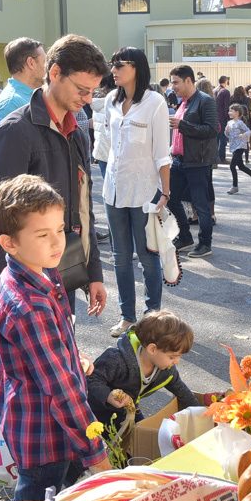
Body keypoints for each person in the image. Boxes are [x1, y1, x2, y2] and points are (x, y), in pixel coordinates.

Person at [0, 173, 111, 501]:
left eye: (59, 230)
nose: (57, 243)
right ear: (9, 242)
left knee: (58, 494)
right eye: (43, 234)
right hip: (44, 434)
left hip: (46, 423)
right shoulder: (28, 307)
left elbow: (53, 344)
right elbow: (62, 391)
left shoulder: (39, 268)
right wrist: (97, 454)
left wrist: (72, 357)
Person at [0, 34, 108, 319]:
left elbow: (83, 210)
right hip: (23, 282)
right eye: (82, 90)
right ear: (55, 72)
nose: (87, 100)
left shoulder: (76, 134)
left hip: (64, 273)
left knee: (62, 357)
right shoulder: (15, 131)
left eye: (92, 93)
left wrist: (92, 272)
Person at [101, 47, 171, 335]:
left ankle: (152, 316)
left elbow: (161, 153)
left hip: (144, 192)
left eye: (120, 65)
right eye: (113, 65)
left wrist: (165, 193)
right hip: (113, 191)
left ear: (137, 68)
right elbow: (105, 144)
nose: (114, 70)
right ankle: (127, 316)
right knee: (120, 257)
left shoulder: (155, 102)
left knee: (146, 255)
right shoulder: (110, 100)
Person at [86, 310, 202, 435]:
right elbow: (91, 379)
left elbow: (182, 392)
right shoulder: (116, 359)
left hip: (128, 410)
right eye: (172, 357)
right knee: (108, 449)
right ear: (152, 349)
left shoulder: (167, 371)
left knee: (140, 437)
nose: (177, 361)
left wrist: (202, 413)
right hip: (97, 412)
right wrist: (108, 396)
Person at [166, 65, 220, 258]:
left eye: (176, 82)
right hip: (179, 161)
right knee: (170, 199)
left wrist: (183, 125)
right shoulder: (184, 102)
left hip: (198, 162)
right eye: (172, 83)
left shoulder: (205, 101)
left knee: (200, 205)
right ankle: (185, 237)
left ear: (188, 80)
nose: (173, 87)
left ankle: (205, 243)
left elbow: (212, 130)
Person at [0, 37, 45, 126]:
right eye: (45, 61)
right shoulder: (10, 104)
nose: (48, 67)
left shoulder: (32, 96)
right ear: (31, 63)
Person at [225, 103, 251, 193]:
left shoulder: (240, 123)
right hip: (233, 146)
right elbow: (227, 134)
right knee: (240, 166)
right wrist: (226, 131)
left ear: (237, 112)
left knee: (232, 166)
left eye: (231, 111)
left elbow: (248, 131)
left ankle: (235, 186)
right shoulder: (229, 122)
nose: (229, 113)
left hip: (240, 146)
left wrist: (243, 135)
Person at [214, 74, 233, 163]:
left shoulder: (214, 90)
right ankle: (222, 158)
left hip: (214, 118)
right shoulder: (225, 92)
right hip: (222, 118)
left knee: (216, 139)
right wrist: (229, 119)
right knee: (223, 139)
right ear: (225, 81)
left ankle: (215, 158)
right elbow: (226, 107)